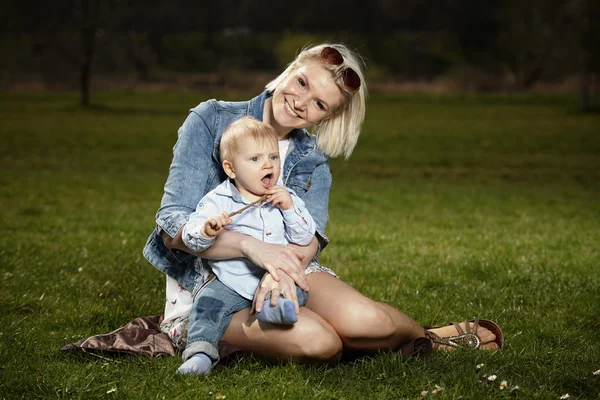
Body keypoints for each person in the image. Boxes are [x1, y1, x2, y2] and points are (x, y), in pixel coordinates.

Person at [143, 43, 503, 366]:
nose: (301, 102)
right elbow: (171, 224)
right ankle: (371, 342)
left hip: (289, 272)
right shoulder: (211, 120)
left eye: (319, 104)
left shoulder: (311, 158)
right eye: (302, 83)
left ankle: (428, 339)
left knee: (370, 321)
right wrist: (252, 247)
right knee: (321, 342)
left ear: (327, 117)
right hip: (210, 285)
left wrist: (278, 271)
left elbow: (310, 239)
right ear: (290, 69)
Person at [176, 117, 315, 375]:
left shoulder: (286, 196)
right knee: (207, 305)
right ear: (230, 169)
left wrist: (290, 208)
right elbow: (191, 235)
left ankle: (276, 311)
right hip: (230, 279)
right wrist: (207, 229)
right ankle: (200, 353)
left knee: (299, 288)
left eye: (273, 157)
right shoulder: (219, 199)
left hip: (273, 277)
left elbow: (306, 236)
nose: (267, 164)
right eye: (255, 159)